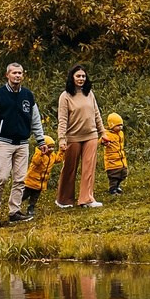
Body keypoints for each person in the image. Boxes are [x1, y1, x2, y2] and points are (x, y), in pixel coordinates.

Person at [0, 62, 43, 227]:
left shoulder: (28, 95)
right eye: (14, 73)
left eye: (20, 73)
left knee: (20, 179)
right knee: (2, 177)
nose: (17, 76)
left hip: (22, 143)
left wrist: (41, 140)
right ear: (7, 75)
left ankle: (14, 211)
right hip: (3, 142)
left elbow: (35, 120)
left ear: (23, 75)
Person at [55, 67, 105, 209]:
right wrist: (62, 139)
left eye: (83, 76)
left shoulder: (89, 94)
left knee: (89, 167)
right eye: (78, 76)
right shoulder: (65, 96)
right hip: (73, 136)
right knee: (69, 168)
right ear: (72, 77)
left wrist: (103, 132)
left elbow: (96, 114)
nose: (81, 78)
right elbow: (63, 119)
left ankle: (86, 199)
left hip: (91, 135)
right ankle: (64, 199)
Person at [101, 112, 128, 195]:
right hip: (111, 161)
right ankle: (113, 189)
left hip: (121, 159)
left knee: (123, 173)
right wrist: (104, 142)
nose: (120, 127)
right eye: (118, 125)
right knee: (114, 176)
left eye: (121, 125)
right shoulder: (107, 134)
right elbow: (101, 140)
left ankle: (117, 186)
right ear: (112, 125)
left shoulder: (121, 134)